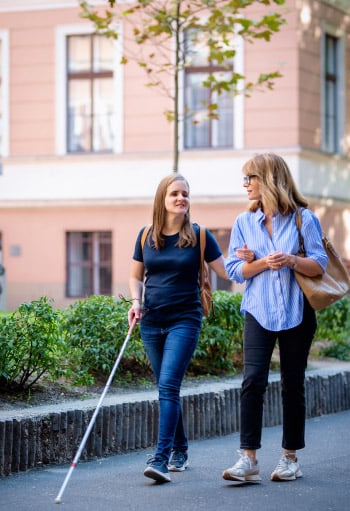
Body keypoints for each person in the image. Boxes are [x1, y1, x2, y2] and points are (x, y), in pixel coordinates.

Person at [222, 153, 328, 483]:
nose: (245, 185)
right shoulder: (243, 222)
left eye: (250, 178)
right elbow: (233, 270)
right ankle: (248, 458)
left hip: (297, 311)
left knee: (292, 383)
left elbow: (320, 264)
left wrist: (293, 260)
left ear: (268, 179)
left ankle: (290, 458)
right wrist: (260, 263)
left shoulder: (303, 220)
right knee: (253, 380)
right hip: (258, 310)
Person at [128, 173, 229, 483]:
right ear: (163, 199)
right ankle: (180, 450)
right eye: (174, 193)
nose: (181, 198)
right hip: (152, 321)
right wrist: (135, 301)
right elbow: (135, 275)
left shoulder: (199, 236)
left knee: (168, 386)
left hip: (185, 320)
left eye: (185, 193)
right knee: (166, 387)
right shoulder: (146, 235)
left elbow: (226, 271)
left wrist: (251, 259)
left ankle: (160, 458)